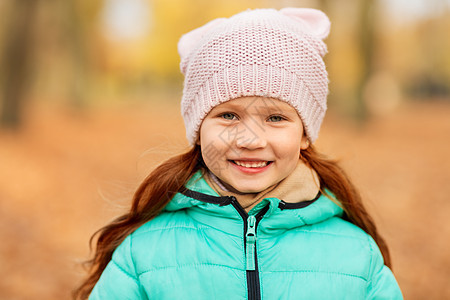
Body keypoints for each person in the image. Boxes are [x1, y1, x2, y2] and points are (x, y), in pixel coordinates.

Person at [74, 7, 403, 299]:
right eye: (228, 115)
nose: (250, 140)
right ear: (198, 131)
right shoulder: (144, 253)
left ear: (305, 134)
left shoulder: (357, 256)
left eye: (275, 118)